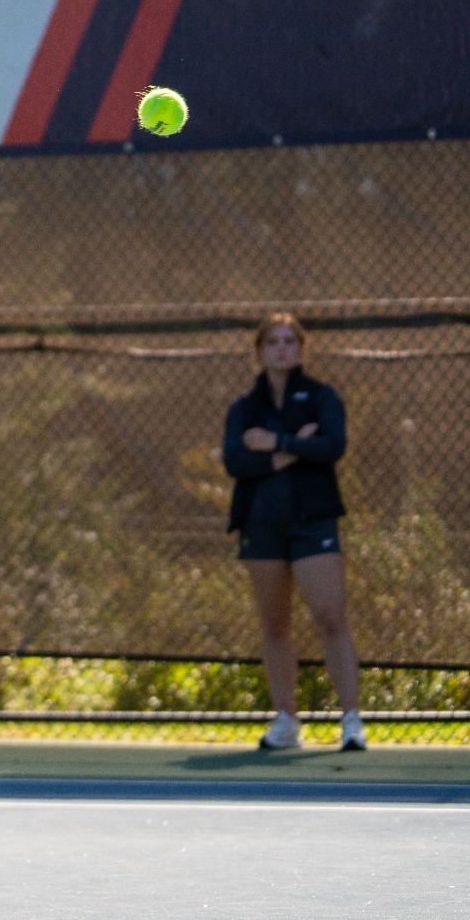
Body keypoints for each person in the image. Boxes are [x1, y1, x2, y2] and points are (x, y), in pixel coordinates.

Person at [221, 312, 364, 753]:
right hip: (261, 525)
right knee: (275, 623)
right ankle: (286, 719)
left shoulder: (322, 397)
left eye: (289, 341)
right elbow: (236, 462)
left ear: (302, 348)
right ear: (259, 351)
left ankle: (351, 720)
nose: (282, 349)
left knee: (330, 616)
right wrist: (296, 448)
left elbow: (332, 446)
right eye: (273, 342)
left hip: (312, 522)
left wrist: (277, 443)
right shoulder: (244, 408)